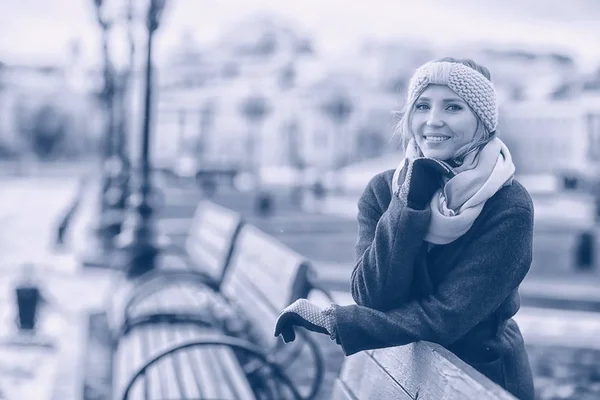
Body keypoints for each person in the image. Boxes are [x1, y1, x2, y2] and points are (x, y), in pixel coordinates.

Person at [274, 57, 535, 400]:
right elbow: (374, 295)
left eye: (453, 107)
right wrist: (408, 202)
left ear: (483, 122)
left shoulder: (509, 205)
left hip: (479, 380)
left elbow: (448, 316)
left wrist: (336, 321)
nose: (433, 120)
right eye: (422, 106)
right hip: (407, 374)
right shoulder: (384, 190)